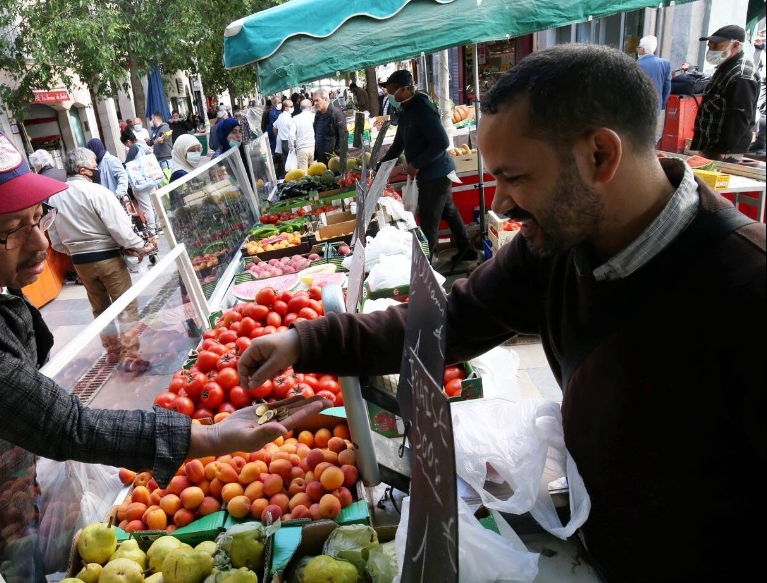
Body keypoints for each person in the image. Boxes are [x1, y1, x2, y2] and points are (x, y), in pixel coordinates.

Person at [238, 44, 766, 582]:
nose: (499, 204)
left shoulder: (747, 289)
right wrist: (304, 342)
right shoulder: (557, 248)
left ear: (600, 155)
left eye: (515, 177)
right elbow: (451, 321)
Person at [0, 117, 332, 581]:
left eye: (39, 216)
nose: (41, 242)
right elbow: (65, 425)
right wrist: (212, 437)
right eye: (13, 230)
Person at [47, 147, 153, 369]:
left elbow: (55, 240)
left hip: (80, 263)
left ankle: (112, 351)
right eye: (94, 165)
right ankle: (131, 355)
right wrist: (139, 246)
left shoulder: (54, 198)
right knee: (126, 306)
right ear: (83, 170)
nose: (97, 169)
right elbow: (119, 228)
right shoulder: (97, 192)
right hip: (107, 258)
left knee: (100, 309)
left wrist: (75, 250)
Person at [378, 69, 474, 263]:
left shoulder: (422, 108)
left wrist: (416, 163)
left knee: (429, 221)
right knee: (448, 211)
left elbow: (441, 142)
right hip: (433, 174)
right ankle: (467, 250)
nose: (390, 96)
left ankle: (426, 267)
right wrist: (381, 167)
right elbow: (398, 144)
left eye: (392, 91)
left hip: (436, 175)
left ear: (405, 89)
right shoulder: (406, 110)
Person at [691, 25, 760, 162]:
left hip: (724, 150)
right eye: (710, 46)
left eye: (717, 46)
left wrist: (721, 151)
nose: (711, 51)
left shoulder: (742, 75)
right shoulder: (726, 66)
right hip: (712, 146)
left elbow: (739, 118)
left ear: (735, 46)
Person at [120, 129, 161, 236]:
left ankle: (152, 230)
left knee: (147, 206)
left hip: (141, 182)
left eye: (125, 144)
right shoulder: (143, 144)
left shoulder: (133, 148)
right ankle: (159, 226)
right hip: (151, 178)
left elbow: (127, 165)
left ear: (128, 141)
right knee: (153, 204)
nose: (126, 146)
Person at [636, 35, 671, 143]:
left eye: (638, 47)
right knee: (653, 136)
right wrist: (662, 104)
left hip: (639, 106)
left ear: (642, 49)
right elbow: (667, 86)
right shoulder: (665, 63)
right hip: (657, 105)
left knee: (639, 136)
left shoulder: (636, 65)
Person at [312, 88, 347, 164]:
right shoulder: (318, 115)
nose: (315, 103)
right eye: (314, 101)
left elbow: (343, 136)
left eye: (317, 100)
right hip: (321, 158)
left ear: (325, 99)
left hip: (333, 159)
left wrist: (336, 155)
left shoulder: (336, 114)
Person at [291, 98, 316, 170]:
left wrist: (291, 147)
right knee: (315, 172)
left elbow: (291, 135)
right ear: (311, 107)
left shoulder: (295, 118)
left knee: (304, 173)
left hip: (301, 148)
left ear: (300, 108)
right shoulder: (314, 116)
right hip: (314, 147)